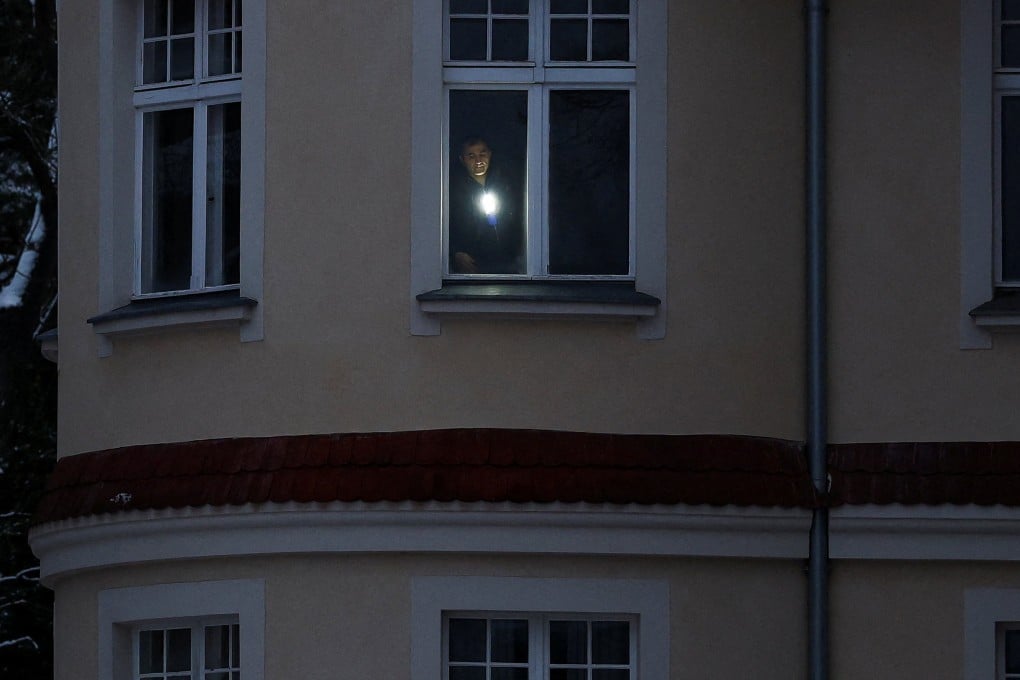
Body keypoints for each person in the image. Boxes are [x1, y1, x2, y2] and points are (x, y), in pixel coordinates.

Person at [448, 137, 524, 274]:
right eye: (471, 156)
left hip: (506, 264)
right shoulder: (452, 192)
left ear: (490, 154)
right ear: (462, 159)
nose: (478, 161)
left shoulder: (506, 186)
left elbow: (519, 221)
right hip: (471, 266)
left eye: (482, 154)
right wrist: (455, 252)